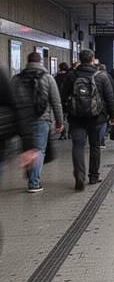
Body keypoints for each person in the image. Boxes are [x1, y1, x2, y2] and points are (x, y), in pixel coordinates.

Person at [60, 49, 114, 189]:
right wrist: (113, 115)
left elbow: (62, 96)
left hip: (76, 118)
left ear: (80, 60)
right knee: (95, 147)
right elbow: (110, 98)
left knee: (78, 147)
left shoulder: (72, 75)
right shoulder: (101, 76)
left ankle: (79, 174)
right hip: (96, 118)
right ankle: (93, 176)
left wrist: (66, 112)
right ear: (93, 60)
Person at [12, 52, 64, 193]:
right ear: (40, 61)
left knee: (27, 148)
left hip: (21, 121)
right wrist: (60, 121)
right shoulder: (47, 78)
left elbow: (10, 100)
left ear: (27, 62)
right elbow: (56, 101)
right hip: (42, 119)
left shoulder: (16, 79)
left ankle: (30, 171)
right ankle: (34, 182)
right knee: (39, 150)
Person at [96, 64, 114, 149]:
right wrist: (112, 114)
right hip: (104, 104)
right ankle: (101, 141)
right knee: (103, 122)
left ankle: (96, 140)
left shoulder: (94, 77)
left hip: (95, 103)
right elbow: (110, 94)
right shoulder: (108, 77)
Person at [54, 62, 70, 139]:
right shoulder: (69, 76)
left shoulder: (56, 77)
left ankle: (63, 133)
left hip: (60, 98)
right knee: (69, 116)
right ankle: (70, 133)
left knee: (62, 116)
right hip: (69, 99)